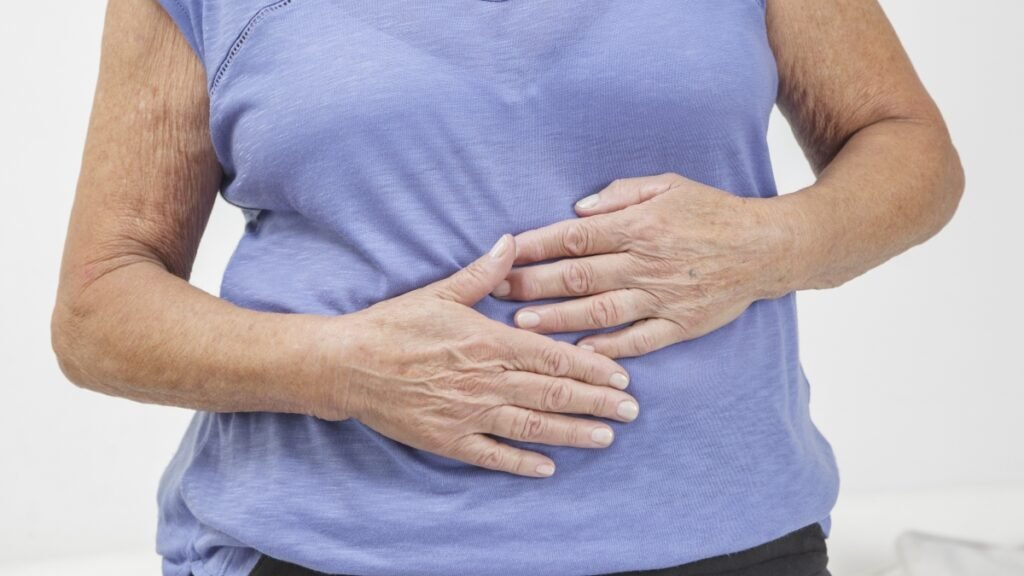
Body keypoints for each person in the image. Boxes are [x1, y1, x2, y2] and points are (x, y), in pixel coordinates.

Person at [51, 0, 964, 575]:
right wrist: (343, 367)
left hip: (734, 542)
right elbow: (99, 307)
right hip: (332, 552)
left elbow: (907, 145)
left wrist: (772, 243)